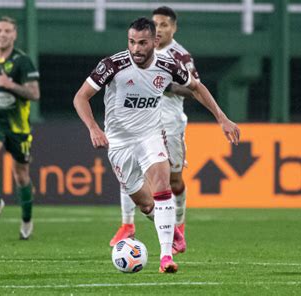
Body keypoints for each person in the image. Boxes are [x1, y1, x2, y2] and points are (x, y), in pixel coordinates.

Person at [74, 17, 239, 273]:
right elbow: (81, 97)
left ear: (155, 41)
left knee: (162, 187)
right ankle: (170, 230)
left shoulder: (168, 64)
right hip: (119, 142)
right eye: (132, 42)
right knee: (146, 204)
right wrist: (94, 129)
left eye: (142, 42)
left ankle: (166, 258)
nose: (136, 48)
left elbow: (196, 87)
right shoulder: (113, 65)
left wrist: (222, 118)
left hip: (150, 134)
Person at [108, 6, 198, 255]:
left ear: (174, 28)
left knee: (173, 181)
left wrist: (167, 85)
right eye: (155, 24)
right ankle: (127, 223)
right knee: (131, 169)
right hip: (142, 123)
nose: (159, 29)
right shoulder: (138, 52)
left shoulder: (180, 56)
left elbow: (193, 89)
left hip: (170, 122)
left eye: (165, 25)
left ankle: (178, 227)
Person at [0, 16, 40, 240]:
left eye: (7, 31)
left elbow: (34, 93)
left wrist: (10, 85)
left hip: (18, 126)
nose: (2, 34)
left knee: (21, 176)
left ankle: (26, 220)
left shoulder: (22, 61)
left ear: (14, 35)